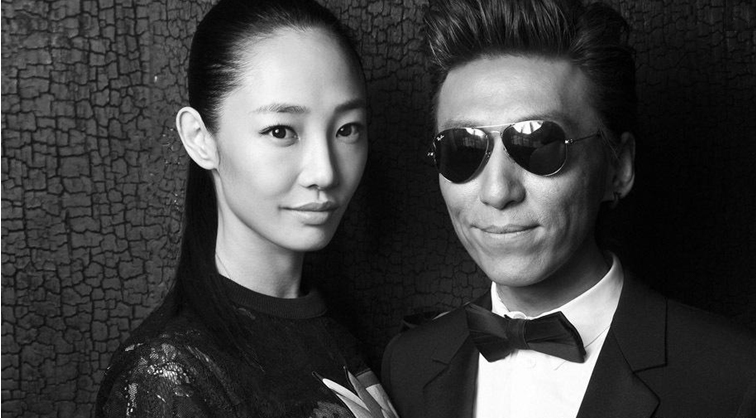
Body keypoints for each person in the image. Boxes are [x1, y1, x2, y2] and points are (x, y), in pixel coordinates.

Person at [381, 0, 756, 417]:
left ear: (619, 167)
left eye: (538, 144)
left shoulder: (735, 378)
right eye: (461, 148)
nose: (497, 191)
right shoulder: (406, 365)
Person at [95, 0, 397, 417]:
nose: (325, 172)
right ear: (200, 138)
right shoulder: (168, 375)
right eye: (281, 131)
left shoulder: (338, 333)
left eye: (346, 129)